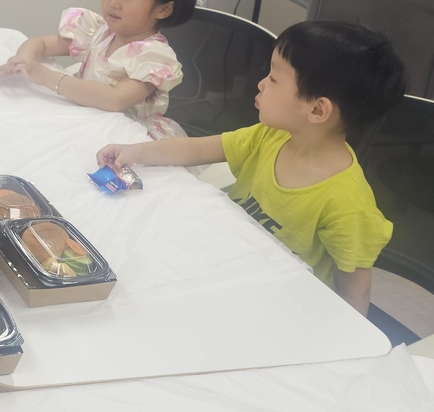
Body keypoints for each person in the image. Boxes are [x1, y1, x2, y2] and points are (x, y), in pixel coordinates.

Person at [97, 20, 406, 316]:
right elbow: (197, 149)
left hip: (282, 304)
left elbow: (355, 295)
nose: (260, 83)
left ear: (316, 109)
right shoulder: (272, 136)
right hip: (230, 268)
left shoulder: (348, 206)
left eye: (274, 78)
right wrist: (135, 151)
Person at [0, 0, 198, 139]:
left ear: (163, 9)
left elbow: (115, 100)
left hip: (129, 141)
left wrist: (46, 76)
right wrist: (22, 62)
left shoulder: (153, 57)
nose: (113, 2)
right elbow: (39, 43)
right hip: (88, 125)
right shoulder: (97, 32)